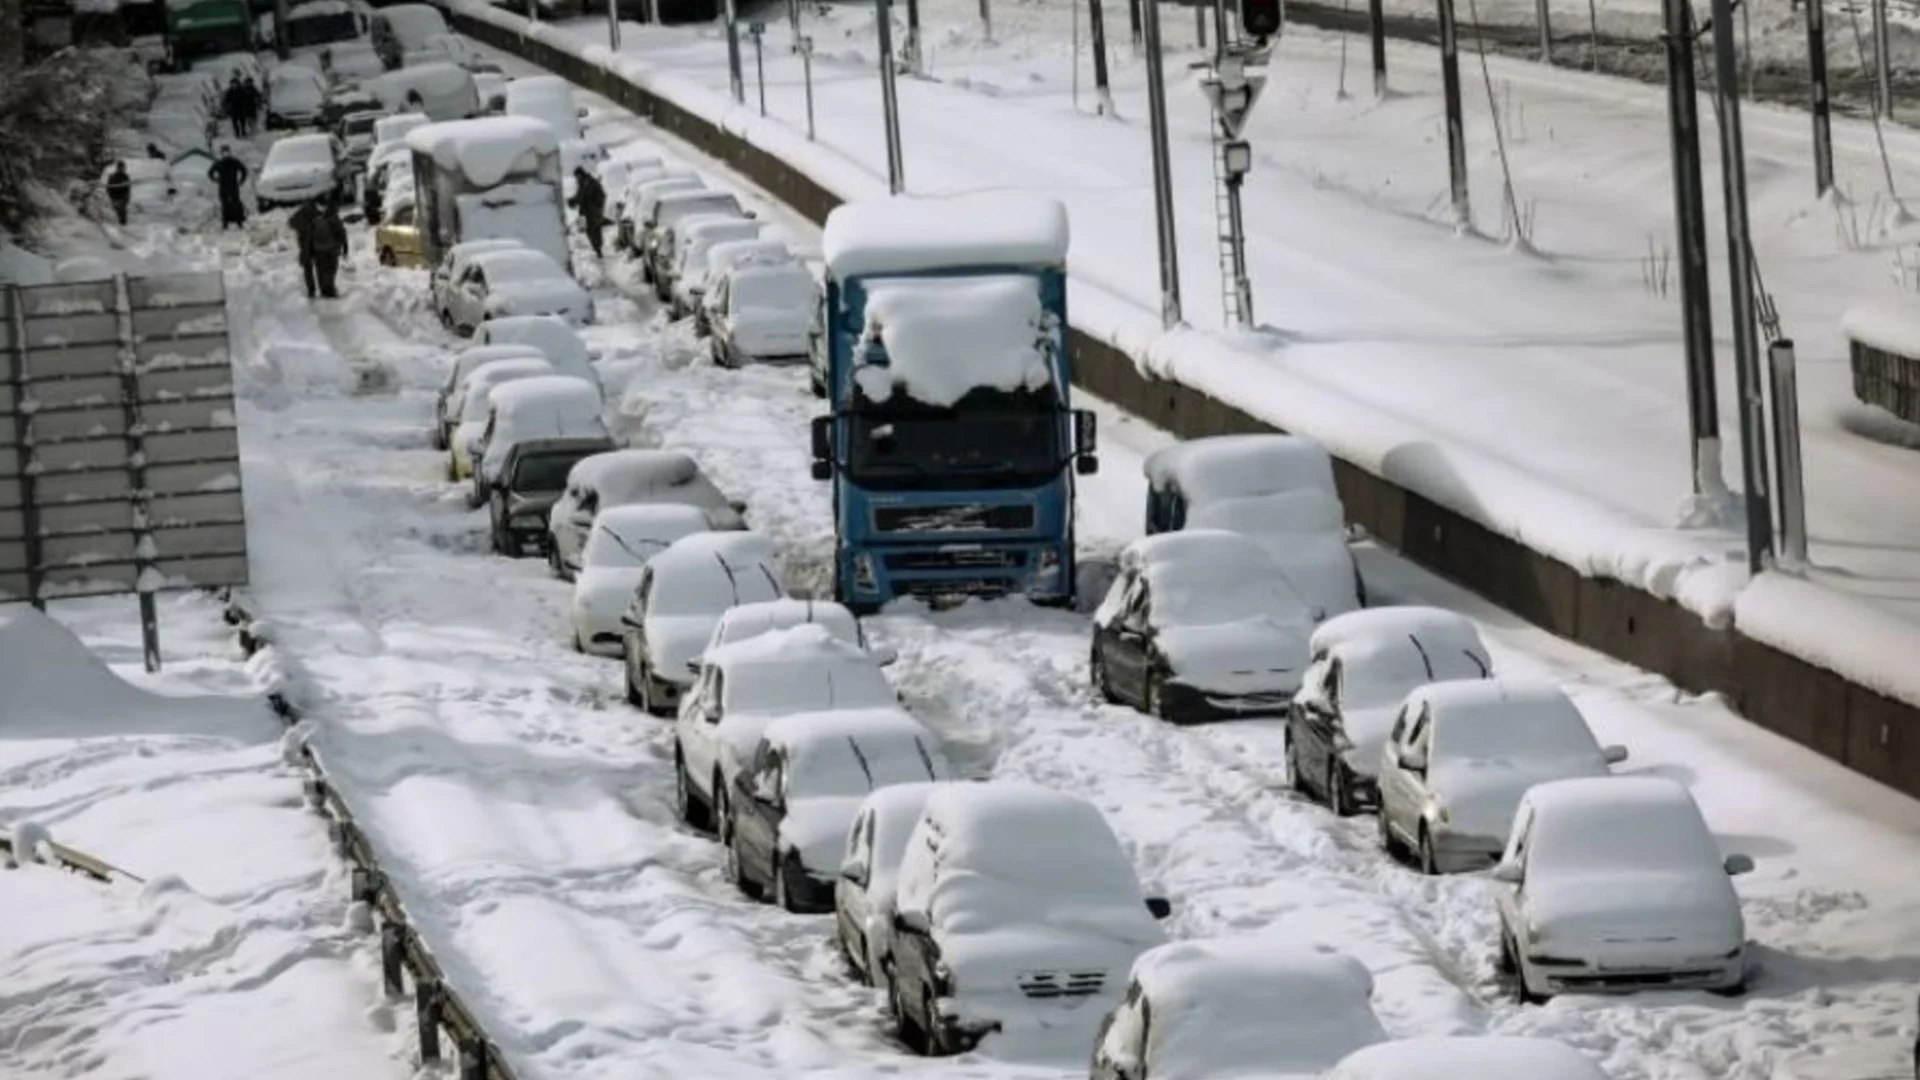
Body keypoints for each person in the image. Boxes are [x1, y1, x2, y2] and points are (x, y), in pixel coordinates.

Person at [290, 196, 348, 299]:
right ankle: (327, 290)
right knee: (329, 270)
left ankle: (317, 290)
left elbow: (292, 224)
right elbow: (342, 234)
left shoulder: (312, 218)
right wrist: (344, 248)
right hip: (327, 249)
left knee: (319, 270)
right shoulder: (326, 217)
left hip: (315, 248)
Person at [568, 166, 607, 258]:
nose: (576, 179)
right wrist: (573, 201)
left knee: (594, 229)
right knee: (589, 230)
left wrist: (597, 207)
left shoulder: (590, 183)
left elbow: (599, 196)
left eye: (577, 176)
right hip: (586, 212)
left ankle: (598, 248)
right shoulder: (583, 183)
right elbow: (580, 196)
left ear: (580, 174)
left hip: (592, 211)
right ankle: (597, 248)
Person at [208, 147, 249, 229]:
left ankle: (239, 222)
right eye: (224, 152)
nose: (226, 154)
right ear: (221, 153)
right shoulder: (219, 163)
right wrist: (216, 180)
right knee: (224, 205)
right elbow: (210, 173)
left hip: (233, 186)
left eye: (227, 152)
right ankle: (225, 223)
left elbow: (244, 170)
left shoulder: (234, 162)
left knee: (236, 205)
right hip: (223, 187)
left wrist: (241, 180)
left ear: (230, 152)